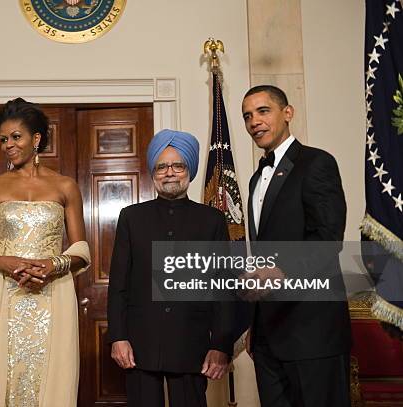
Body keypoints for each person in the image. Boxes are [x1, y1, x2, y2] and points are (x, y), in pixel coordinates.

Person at [0, 97, 91, 407]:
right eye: (3, 139)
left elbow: (81, 250)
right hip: (1, 298)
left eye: (16, 137)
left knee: (52, 380)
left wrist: (54, 264)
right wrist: (4, 262)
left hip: (54, 296)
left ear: (36, 139)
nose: (8, 144)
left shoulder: (65, 187)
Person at [107, 129, 235, 407]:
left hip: (192, 343)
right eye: (162, 166)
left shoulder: (212, 220)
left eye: (178, 165)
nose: (170, 173)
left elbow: (224, 287)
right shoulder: (131, 217)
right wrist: (118, 336)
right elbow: (119, 284)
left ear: (190, 170)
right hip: (140, 343)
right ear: (153, 172)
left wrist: (220, 344)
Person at [242, 85, 351, 406]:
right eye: (247, 116)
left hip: (313, 333)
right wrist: (256, 323)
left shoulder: (317, 163)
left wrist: (282, 270)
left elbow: (328, 238)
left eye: (263, 111)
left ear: (287, 113)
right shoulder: (254, 179)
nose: (254, 122)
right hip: (268, 337)